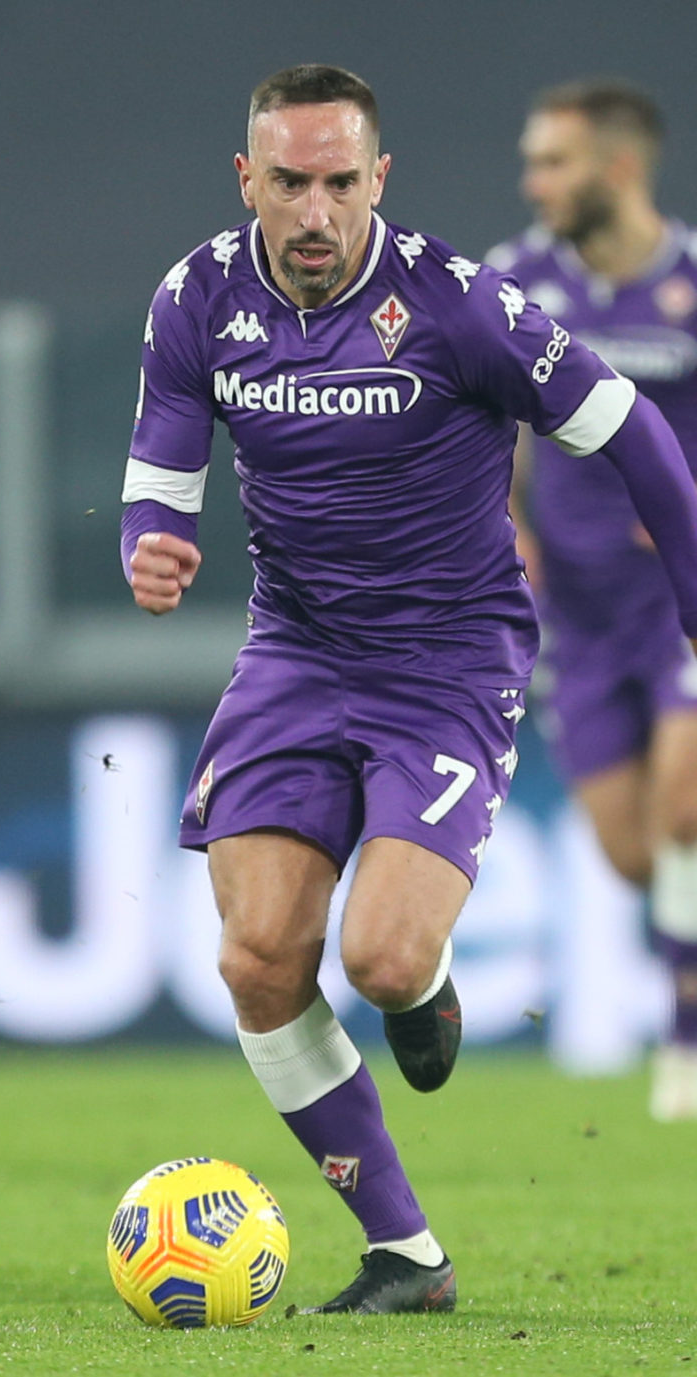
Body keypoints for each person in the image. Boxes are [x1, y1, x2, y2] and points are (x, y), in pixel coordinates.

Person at [122, 65, 697, 1313]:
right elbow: (162, 464)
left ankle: (426, 985)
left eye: (340, 182)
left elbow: (635, 430)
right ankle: (405, 1255)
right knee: (259, 958)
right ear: (247, 180)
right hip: (291, 653)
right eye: (289, 182)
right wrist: (146, 545)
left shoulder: (459, 305)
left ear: (378, 179)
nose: (315, 210)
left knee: (379, 959)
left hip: (443, 659)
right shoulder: (198, 294)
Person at [488, 81, 697, 1122]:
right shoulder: (511, 285)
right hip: (575, 613)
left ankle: (688, 1036)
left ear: (618, 168)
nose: (536, 184)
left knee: (688, 809)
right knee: (632, 852)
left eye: (554, 161)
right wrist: (504, 530)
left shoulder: (691, 286)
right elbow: (479, 434)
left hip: (681, 599)